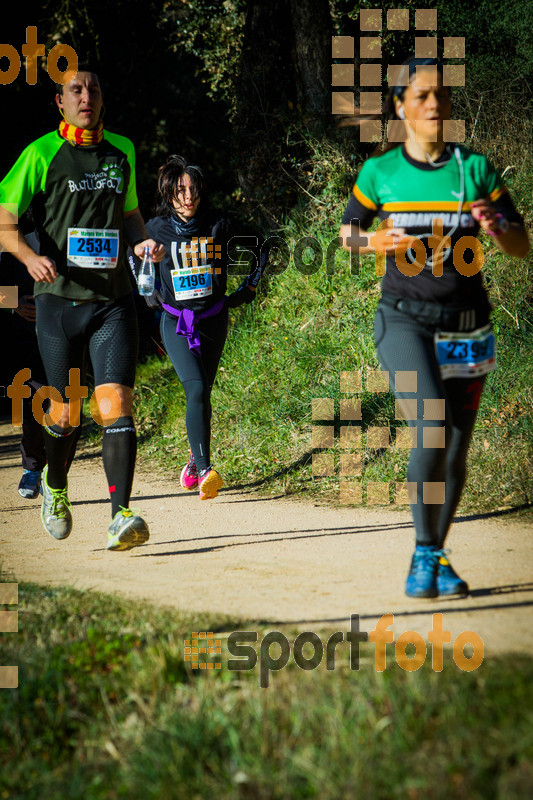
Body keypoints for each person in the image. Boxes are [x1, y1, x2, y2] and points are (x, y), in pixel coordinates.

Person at [340, 57, 529, 598]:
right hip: (404, 321)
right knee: (430, 423)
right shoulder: (381, 173)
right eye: (421, 96)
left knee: (454, 449)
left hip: (469, 327)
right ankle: (423, 555)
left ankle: (437, 553)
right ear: (400, 107)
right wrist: (372, 242)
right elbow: (347, 232)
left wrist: (499, 227)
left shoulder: (475, 168)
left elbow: (521, 246)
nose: (433, 104)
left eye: (440, 95)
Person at [0, 69, 164, 550]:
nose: (86, 96)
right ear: (60, 101)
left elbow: (130, 212)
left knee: (114, 403)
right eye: (76, 90)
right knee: (66, 414)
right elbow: (5, 221)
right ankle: (55, 485)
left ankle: (121, 515)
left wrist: (141, 242)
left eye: (93, 88)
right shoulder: (41, 154)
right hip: (57, 303)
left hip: (112, 301)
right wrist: (29, 258)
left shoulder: (123, 150)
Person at [141, 154, 267, 500]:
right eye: (180, 190)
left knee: (203, 393)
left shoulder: (218, 224)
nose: (188, 196)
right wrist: (148, 291)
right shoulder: (155, 229)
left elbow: (261, 246)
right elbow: (132, 258)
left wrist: (249, 288)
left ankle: (194, 464)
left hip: (214, 320)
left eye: (193, 189)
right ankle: (207, 469)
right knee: (196, 389)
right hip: (176, 323)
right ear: (169, 194)